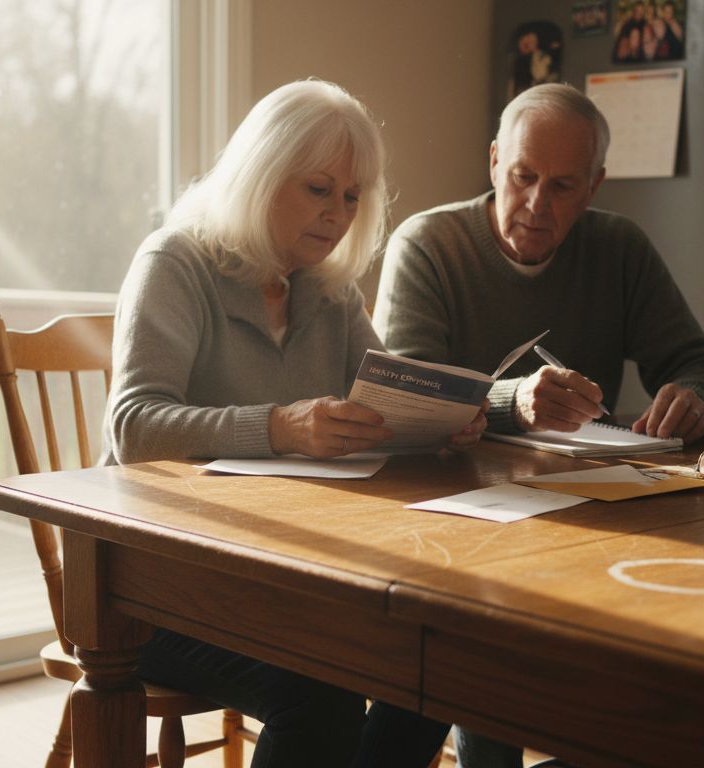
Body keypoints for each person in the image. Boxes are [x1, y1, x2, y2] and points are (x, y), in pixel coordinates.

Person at [103, 78, 478, 767]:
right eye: (318, 188)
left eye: (351, 196)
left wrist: (435, 421)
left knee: (438, 666)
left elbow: (386, 397)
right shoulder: (175, 261)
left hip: (277, 574)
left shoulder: (327, 289)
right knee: (320, 696)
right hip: (154, 584)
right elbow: (133, 427)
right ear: (261, 172)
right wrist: (279, 426)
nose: (337, 213)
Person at [373, 82, 704, 767]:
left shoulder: (620, 248)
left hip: (583, 526)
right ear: (492, 163)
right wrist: (515, 401)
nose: (538, 205)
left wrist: (696, 394)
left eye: (564, 186)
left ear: (595, 184)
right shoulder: (427, 245)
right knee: (474, 639)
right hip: (448, 528)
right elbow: (412, 404)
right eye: (523, 177)